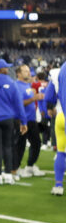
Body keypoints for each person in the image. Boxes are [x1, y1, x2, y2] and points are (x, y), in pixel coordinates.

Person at [14, 65, 45, 178]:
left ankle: (30, 166)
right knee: (20, 145)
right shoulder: (16, 86)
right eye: (25, 71)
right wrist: (34, 98)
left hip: (31, 119)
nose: (29, 73)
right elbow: (18, 103)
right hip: (21, 120)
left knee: (36, 143)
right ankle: (15, 169)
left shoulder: (27, 85)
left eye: (28, 71)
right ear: (19, 73)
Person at [43, 63, 65, 195]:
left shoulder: (57, 72)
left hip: (61, 117)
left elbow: (49, 97)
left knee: (61, 152)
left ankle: (58, 185)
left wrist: (50, 109)